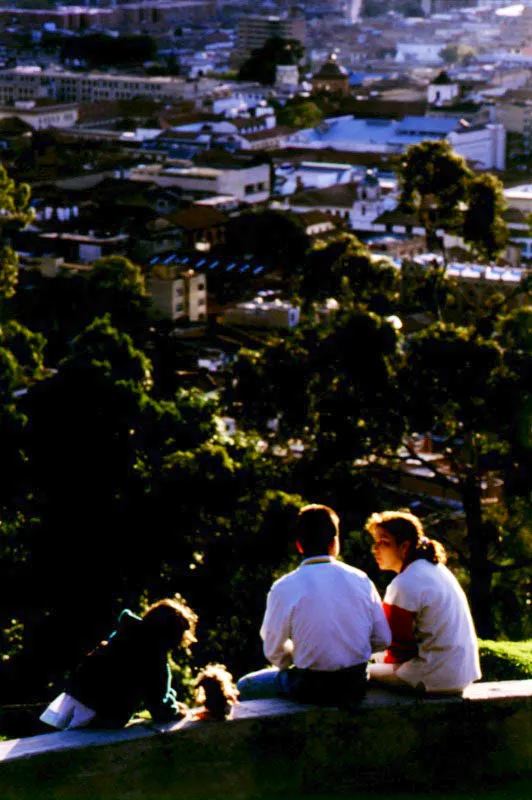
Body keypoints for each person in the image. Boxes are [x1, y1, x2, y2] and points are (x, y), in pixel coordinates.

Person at [237, 504, 391, 705]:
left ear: (299, 545)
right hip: (355, 685)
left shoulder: (283, 586)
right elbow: (383, 639)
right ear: (335, 543)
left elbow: (274, 651)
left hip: (310, 687)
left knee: (244, 685)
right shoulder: (361, 579)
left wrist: (299, 657)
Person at [366, 510, 481, 694]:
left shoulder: (404, 583)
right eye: (376, 542)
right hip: (462, 675)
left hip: (433, 677)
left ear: (404, 547)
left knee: (361, 674)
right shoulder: (435, 569)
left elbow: (397, 651)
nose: (376, 549)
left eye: (384, 543)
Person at [40, 595, 197, 730]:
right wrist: (176, 711)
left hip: (69, 706)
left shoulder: (123, 635)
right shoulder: (153, 655)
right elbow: (158, 706)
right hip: (100, 717)